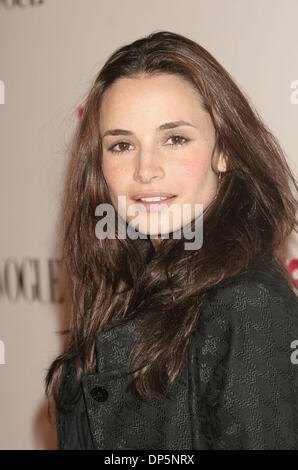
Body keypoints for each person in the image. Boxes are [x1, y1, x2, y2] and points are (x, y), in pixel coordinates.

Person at [45, 30, 298, 450]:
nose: (146, 170)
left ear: (224, 152)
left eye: (175, 139)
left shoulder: (249, 307)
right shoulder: (119, 287)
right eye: (122, 145)